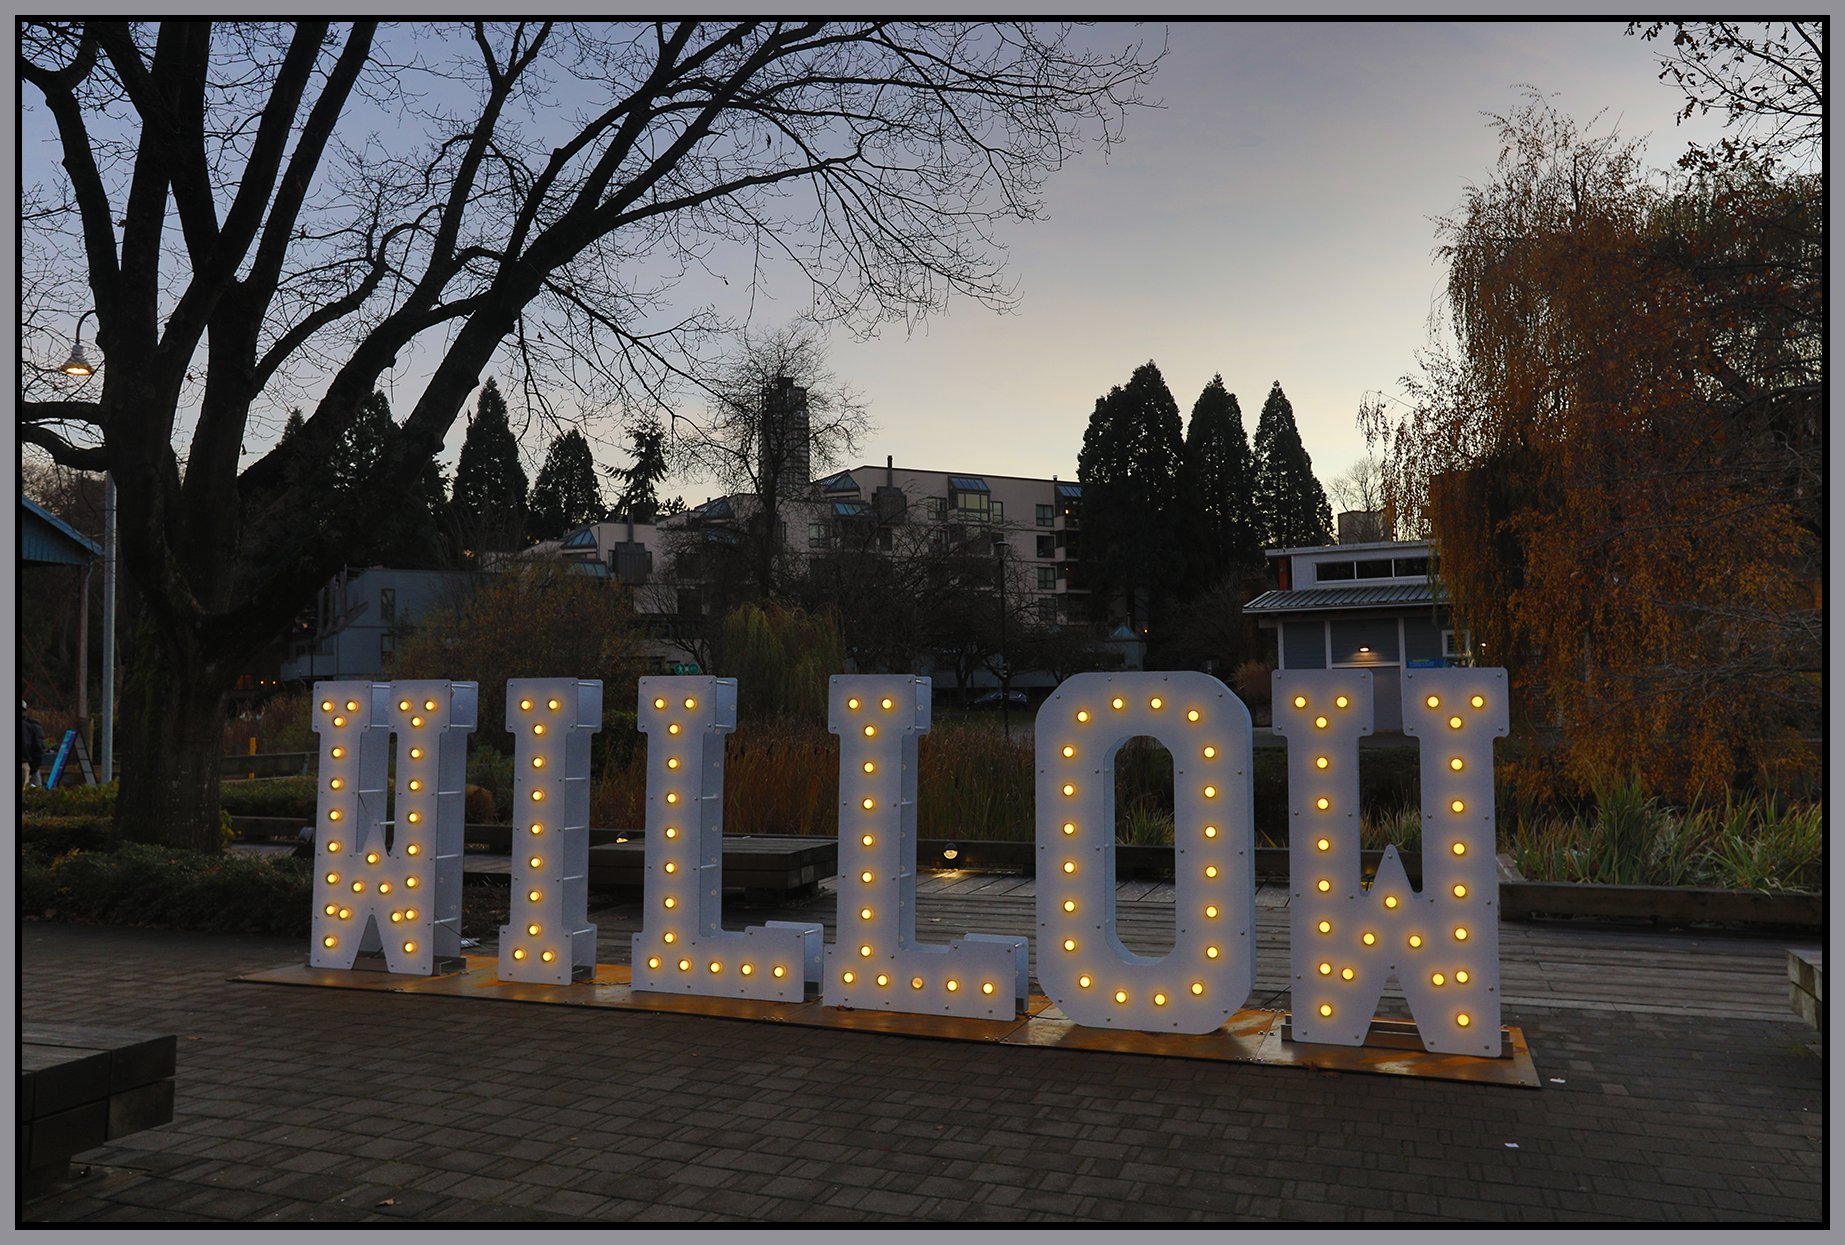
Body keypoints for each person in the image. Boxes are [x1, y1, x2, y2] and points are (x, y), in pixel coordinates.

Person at [20, 701, 47, 790]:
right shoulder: (31, 726)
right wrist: (33, 769)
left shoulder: (30, 726)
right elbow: (38, 749)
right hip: (26, 764)